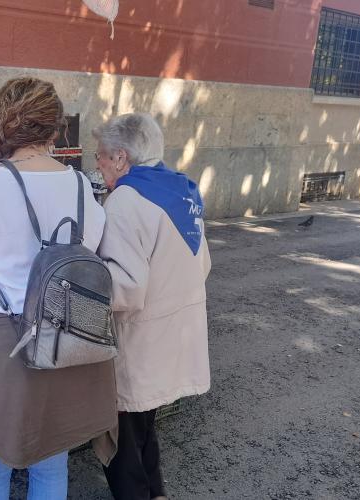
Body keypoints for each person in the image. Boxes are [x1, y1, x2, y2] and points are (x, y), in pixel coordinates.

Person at [0, 77, 118, 500]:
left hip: (1, 343)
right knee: (51, 463)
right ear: (54, 129)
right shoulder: (84, 186)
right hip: (70, 341)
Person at [92, 113, 212, 500]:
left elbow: (124, 287)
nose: (99, 164)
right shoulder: (183, 190)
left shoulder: (125, 200)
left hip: (140, 339)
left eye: (102, 157)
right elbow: (202, 264)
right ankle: (157, 493)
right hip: (176, 331)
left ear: (122, 158)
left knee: (119, 435)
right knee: (144, 422)